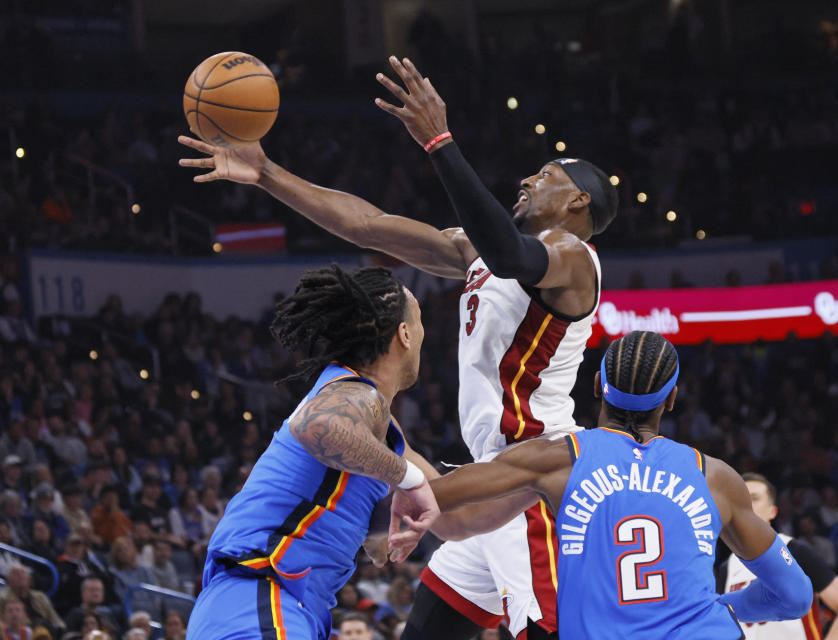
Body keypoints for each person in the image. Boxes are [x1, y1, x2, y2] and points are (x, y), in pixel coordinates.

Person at [179, 54, 617, 640]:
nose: (527, 181)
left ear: (578, 203)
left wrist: (439, 141)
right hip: (491, 475)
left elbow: (514, 256)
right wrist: (267, 173)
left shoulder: (572, 258)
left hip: (533, 466)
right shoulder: (477, 254)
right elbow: (367, 225)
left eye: (545, 176)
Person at [392, 331, 813, 638]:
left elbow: (435, 495)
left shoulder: (557, 458)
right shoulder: (716, 477)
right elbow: (795, 595)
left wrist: (391, 447)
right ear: (671, 399)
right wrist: (722, 606)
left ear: (596, 385)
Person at [185, 266, 440, 640]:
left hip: (276, 607)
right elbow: (317, 428)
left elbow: (449, 502)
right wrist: (409, 478)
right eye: (419, 321)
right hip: (261, 595)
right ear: (404, 334)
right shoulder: (355, 394)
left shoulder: (376, 425)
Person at [718, 473, 838, 639]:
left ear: (773, 511)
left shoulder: (795, 549)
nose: (747, 504)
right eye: (740, 498)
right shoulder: (726, 566)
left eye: (755, 498)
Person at [0, 564, 64, 635]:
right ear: (9, 581)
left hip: (48, 631)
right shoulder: (2, 599)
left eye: (23, 573)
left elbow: (53, 616)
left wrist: (61, 628)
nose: (20, 576)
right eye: (16, 573)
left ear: (29, 580)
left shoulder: (40, 596)